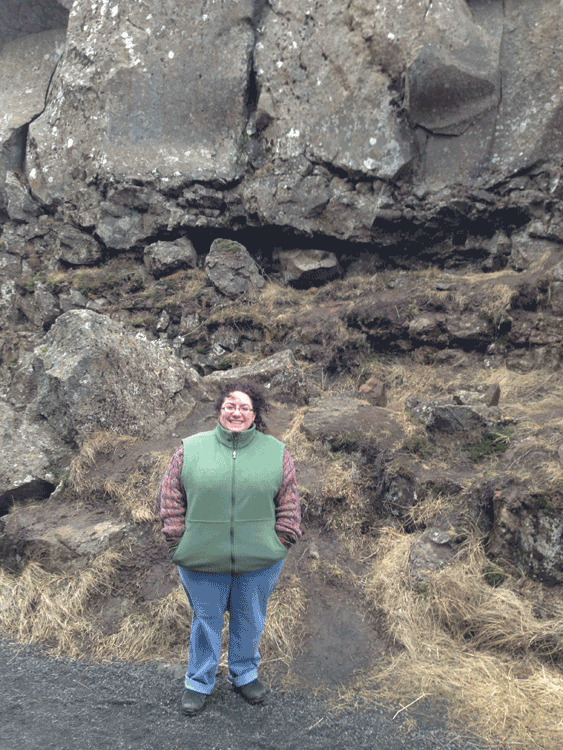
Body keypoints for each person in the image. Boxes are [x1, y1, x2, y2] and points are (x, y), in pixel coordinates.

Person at [155, 379, 302, 716]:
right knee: (205, 620)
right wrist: (179, 541)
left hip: (260, 558)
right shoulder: (189, 450)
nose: (237, 412)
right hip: (200, 557)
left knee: (249, 618)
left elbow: (289, 502)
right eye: (230, 405)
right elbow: (170, 497)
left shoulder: (276, 453)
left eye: (244, 407)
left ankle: (244, 674)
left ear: (255, 414)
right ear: (219, 410)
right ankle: (198, 682)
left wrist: (282, 541)